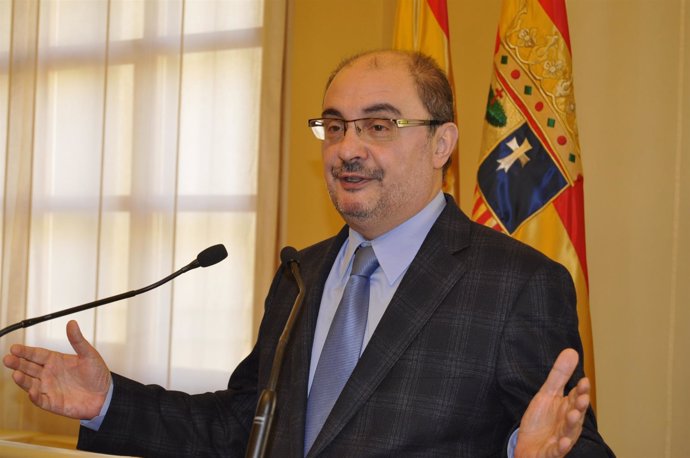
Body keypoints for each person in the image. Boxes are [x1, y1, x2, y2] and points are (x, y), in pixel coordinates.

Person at [3, 50, 613, 457]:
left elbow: (570, 441)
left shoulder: (517, 283)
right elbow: (244, 425)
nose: (348, 148)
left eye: (379, 126)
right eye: (334, 125)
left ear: (441, 144)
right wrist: (108, 401)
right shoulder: (302, 273)